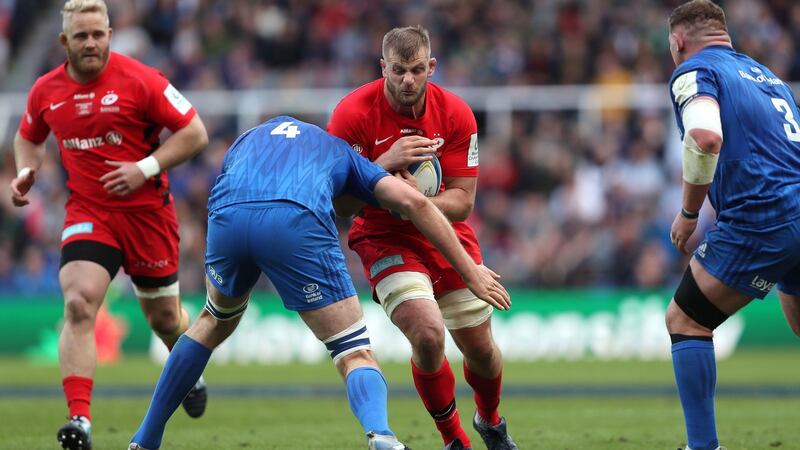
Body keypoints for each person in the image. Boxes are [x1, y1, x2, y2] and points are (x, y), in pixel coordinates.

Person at [127, 116, 511, 450]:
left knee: (212, 321)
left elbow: (224, 179)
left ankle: (145, 438)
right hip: (294, 222)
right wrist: (469, 272)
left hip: (228, 217)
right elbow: (417, 204)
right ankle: (381, 434)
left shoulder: (248, 138)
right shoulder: (338, 150)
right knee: (352, 351)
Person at [8, 1, 209, 449]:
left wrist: (146, 166)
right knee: (78, 304)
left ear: (110, 34)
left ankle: (187, 366)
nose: (91, 42)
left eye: (98, 34)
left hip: (147, 216)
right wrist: (26, 170)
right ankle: (79, 420)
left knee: (163, 320)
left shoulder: (142, 80)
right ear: (65, 42)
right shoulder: (46, 91)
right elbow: (28, 136)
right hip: (89, 213)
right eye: (81, 36)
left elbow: (195, 132)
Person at [328, 25, 517, 450]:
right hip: (383, 238)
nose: (408, 80)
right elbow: (338, 206)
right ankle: (455, 440)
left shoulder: (456, 114)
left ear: (431, 67)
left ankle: (490, 420)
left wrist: (414, 199)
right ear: (383, 68)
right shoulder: (351, 115)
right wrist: (379, 168)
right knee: (429, 335)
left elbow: (463, 202)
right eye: (398, 71)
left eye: (416, 70)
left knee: (481, 350)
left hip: (447, 237)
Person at [665, 1, 800, 449]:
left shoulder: (695, 71)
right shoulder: (767, 77)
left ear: (678, 41)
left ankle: (703, 447)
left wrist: (688, 214)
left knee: (686, 320)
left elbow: (704, 137)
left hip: (763, 213)